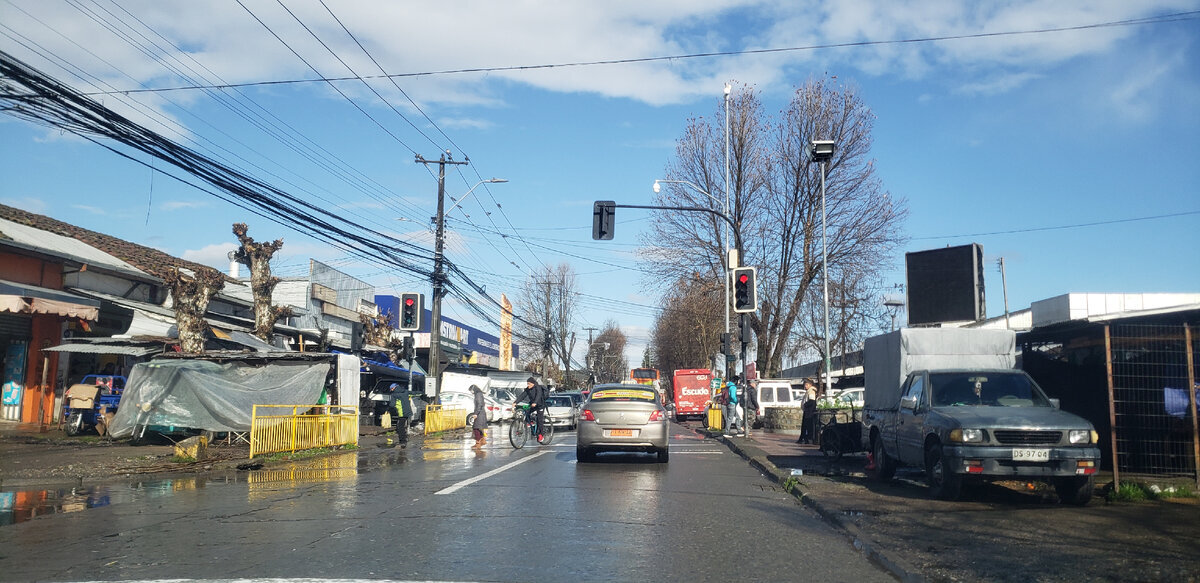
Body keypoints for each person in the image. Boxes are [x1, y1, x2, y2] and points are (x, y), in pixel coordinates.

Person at [517, 376, 547, 441]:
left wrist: (535, 402)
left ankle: (541, 434)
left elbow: (538, 395)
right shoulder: (528, 389)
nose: (528, 385)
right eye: (527, 383)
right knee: (527, 412)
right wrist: (515, 402)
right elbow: (522, 395)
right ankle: (530, 421)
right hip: (533, 404)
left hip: (540, 405)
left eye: (529, 383)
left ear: (533, 383)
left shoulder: (538, 387)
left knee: (540, 419)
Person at [798, 379, 818, 444]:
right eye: (805, 384)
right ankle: (804, 438)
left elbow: (812, 401)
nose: (805, 386)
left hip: (809, 412)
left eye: (806, 384)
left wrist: (805, 405)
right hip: (807, 411)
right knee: (805, 426)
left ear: (810, 385)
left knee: (807, 426)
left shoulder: (811, 391)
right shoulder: (808, 391)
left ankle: (806, 439)